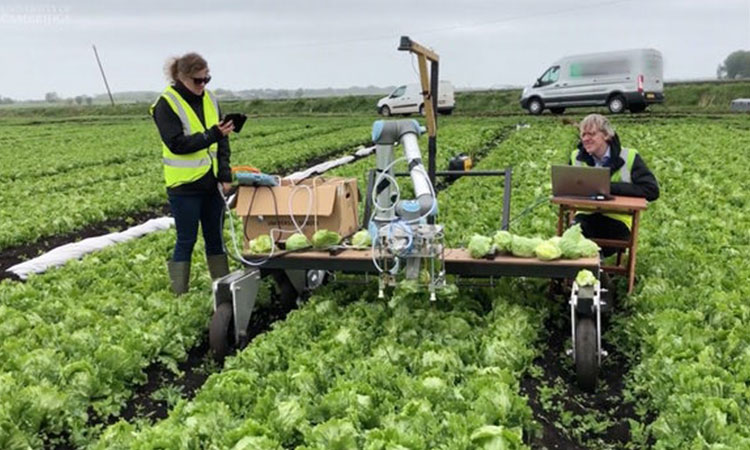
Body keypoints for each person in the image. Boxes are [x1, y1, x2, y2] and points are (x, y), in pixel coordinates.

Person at [150, 52, 235, 295]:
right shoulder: (166, 104)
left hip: (211, 184)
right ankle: (180, 293)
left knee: (215, 239)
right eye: (198, 80)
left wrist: (225, 174)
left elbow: (223, 141)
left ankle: (223, 289)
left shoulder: (211, 99)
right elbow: (177, 143)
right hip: (184, 186)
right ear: (182, 78)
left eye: (206, 79)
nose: (203, 85)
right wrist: (212, 134)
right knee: (186, 240)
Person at [569, 113, 659, 255]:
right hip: (585, 217)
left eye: (591, 134)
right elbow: (567, 188)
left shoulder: (629, 156)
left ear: (606, 135)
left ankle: (595, 273)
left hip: (618, 220)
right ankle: (573, 275)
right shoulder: (576, 157)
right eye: (583, 134)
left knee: (592, 248)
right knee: (570, 240)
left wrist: (608, 187)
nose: (586, 139)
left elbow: (651, 190)